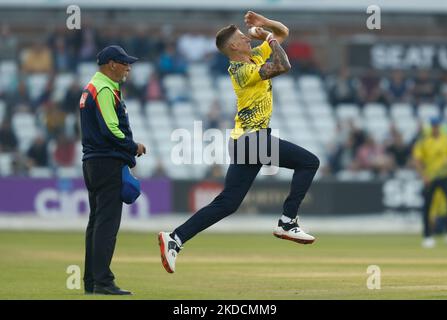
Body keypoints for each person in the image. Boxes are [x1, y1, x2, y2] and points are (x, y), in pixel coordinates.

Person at [158, 11, 320, 273]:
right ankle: (288, 221)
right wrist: (267, 36)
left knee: (227, 203)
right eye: (244, 38)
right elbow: (283, 65)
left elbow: (283, 34)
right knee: (309, 162)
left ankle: (175, 239)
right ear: (233, 46)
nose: (248, 39)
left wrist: (265, 23)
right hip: (251, 140)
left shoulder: (254, 57)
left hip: (246, 142)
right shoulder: (241, 70)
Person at [79, 45, 146, 294]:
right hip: (106, 162)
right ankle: (103, 282)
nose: (128, 67)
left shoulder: (94, 87)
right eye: (124, 62)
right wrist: (133, 147)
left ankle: (91, 281)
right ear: (111, 64)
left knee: (96, 223)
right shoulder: (104, 88)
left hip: (93, 163)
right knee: (107, 225)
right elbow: (110, 129)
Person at [413, 117, 447, 248]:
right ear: (431, 127)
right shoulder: (424, 141)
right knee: (427, 207)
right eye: (434, 126)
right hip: (430, 178)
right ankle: (427, 236)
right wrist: (424, 175)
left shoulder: (446, 139)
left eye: (437, 125)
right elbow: (417, 160)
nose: (436, 128)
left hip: (445, 177)